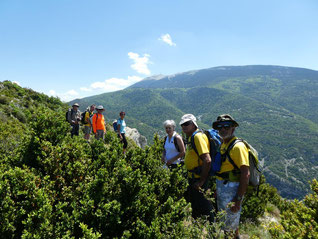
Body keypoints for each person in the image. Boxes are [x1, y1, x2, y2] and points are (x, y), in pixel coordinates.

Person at [212, 114, 250, 239]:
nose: (223, 129)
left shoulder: (238, 147)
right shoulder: (224, 144)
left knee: (229, 228)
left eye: (226, 126)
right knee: (230, 224)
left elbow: (246, 173)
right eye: (220, 127)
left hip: (232, 192)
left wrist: (238, 200)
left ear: (233, 128)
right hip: (224, 190)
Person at [180, 114, 213, 220]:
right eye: (182, 124)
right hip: (194, 177)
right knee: (196, 205)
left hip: (198, 178)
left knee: (204, 206)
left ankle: (212, 231)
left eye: (187, 124)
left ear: (194, 124)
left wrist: (201, 181)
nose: (184, 126)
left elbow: (207, 160)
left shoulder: (197, 136)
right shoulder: (192, 137)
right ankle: (198, 228)